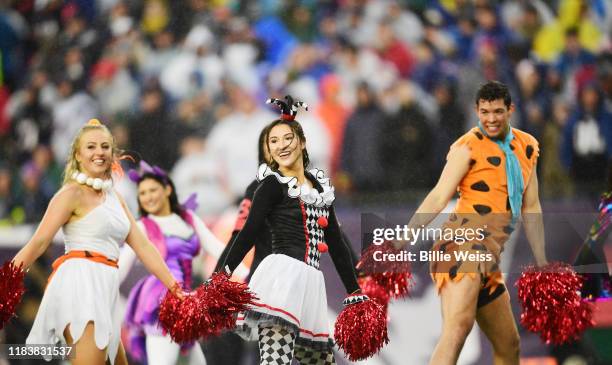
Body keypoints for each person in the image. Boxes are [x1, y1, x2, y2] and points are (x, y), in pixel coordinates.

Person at [397, 81, 547, 365]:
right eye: (485, 112)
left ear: (511, 110)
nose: (491, 119)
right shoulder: (467, 146)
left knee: (509, 344)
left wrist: (541, 260)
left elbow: (532, 205)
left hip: (488, 255)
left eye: (498, 112)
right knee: (458, 327)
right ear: (477, 110)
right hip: (462, 242)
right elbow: (439, 195)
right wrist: (405, 236)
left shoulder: (528, 147)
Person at [12, 119, 184, 365]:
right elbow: (39, 242)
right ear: (78, 155)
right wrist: (6, 281)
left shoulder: (115, 197)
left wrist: (175, 288)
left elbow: (143, 246)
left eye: (105, 146)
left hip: (104, 293)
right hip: (80, 287)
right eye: (91, 147)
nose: (99, 152)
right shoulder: (71, 193)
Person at [214, 97, 367, 365]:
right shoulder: (270, 185)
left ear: (302, 142)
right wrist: (220, 277)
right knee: (276, 361)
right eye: (273, 141)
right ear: (268, 151)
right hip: (281, 280)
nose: (281, 145)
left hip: (311, 284)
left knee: (319, 361)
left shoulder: (319, 188)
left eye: (287, 138)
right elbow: (247, 234)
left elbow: (336, 242)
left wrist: (355, 291)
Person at [119, 161, 248, 365]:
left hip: (185, 300)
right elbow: (121, 265)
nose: (148, 197)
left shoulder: (188, 218)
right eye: (142, 193)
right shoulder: (142, 226)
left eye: (153, 190)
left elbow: (217, 248)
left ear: (167, 189)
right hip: (160, 301)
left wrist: (247, 274)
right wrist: (98, 288)